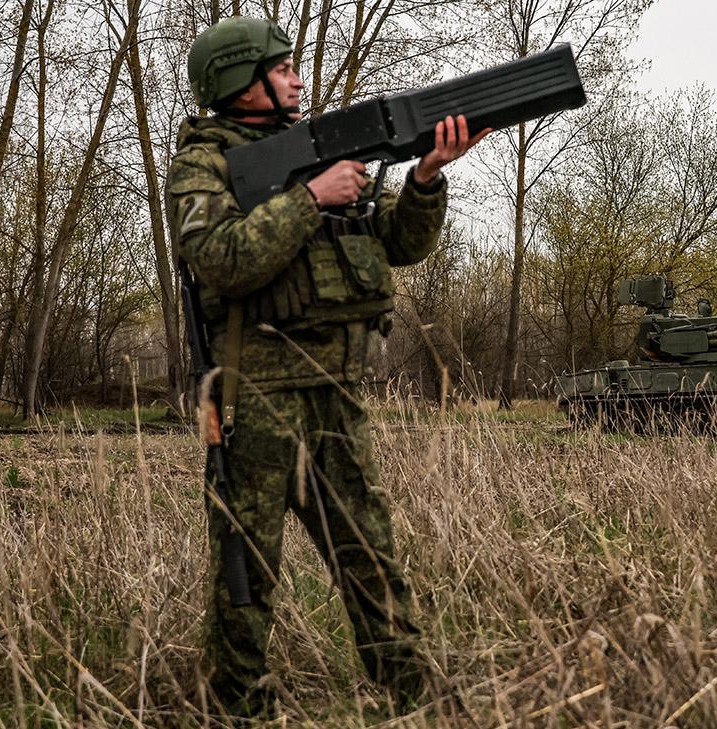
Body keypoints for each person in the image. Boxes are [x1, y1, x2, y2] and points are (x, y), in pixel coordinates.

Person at [167, 16, 486, 717]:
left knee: (369, 551)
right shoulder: (206, 164)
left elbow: (398, 244)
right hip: (255, 398)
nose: (298, 77)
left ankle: (412, 695)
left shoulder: (321, 151)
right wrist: (311, 198)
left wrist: (427, 176)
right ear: (237, 81)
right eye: (281, 69)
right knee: (247, 568)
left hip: (337, 393)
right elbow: (220, 258)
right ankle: (238, 706)